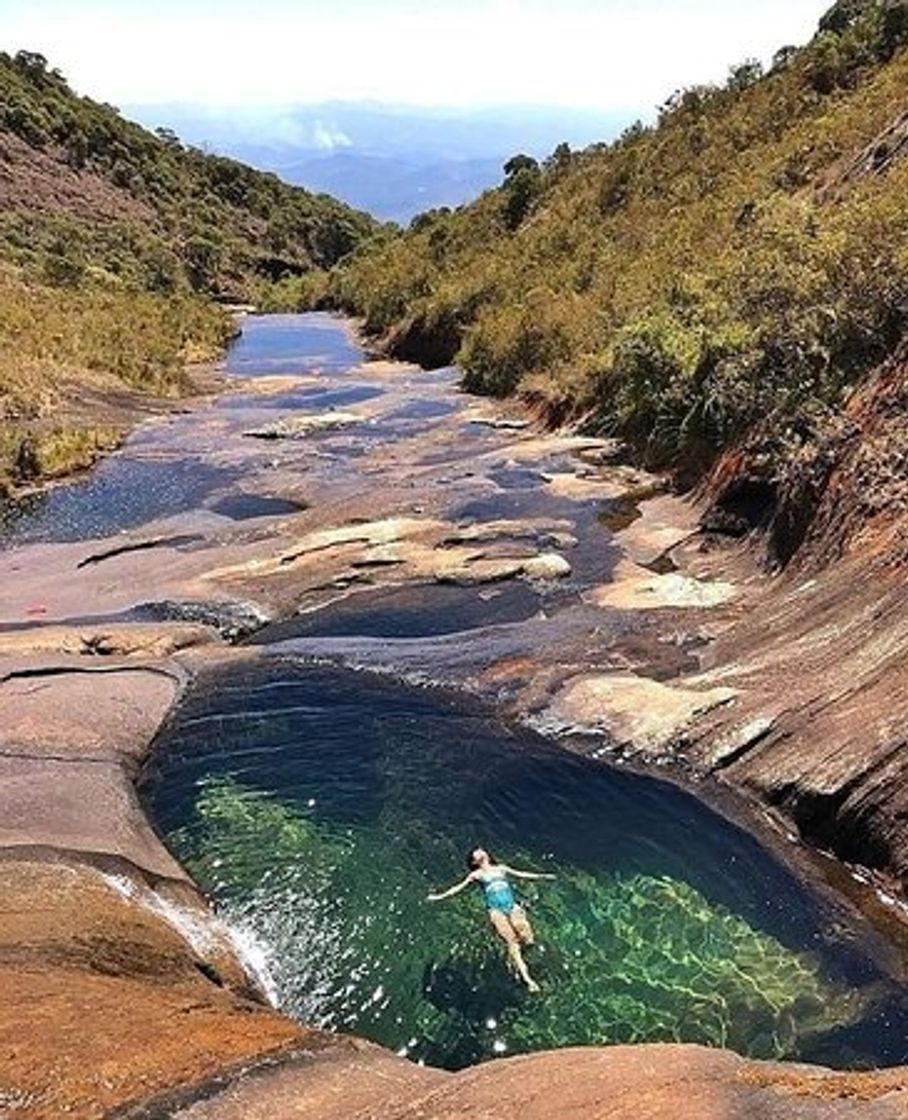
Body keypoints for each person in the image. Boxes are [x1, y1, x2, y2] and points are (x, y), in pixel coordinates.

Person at [427, 847, 555, 992]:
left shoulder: (501, 868)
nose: (480, 852)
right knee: (511, 942)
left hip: (512, 906)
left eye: (481, 850)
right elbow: (457, 888)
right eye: (476, 852)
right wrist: (438, 897)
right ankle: (528, 980)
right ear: (474, 861)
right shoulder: (476, 875)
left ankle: (516, 960)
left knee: (528, 939)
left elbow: (522, 875)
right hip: (496, 911)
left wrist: (542, 877)